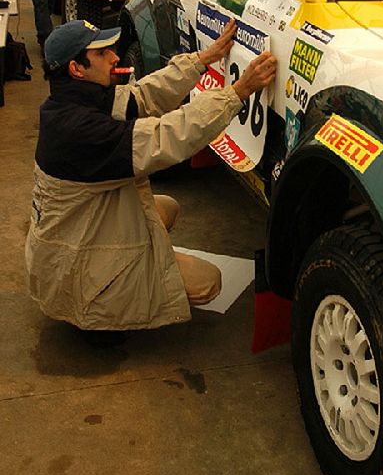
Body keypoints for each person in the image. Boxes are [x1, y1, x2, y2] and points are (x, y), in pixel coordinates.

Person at [25, 19, 277, 333]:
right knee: (207, 282)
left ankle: (131, 268)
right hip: (75, 270)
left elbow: (144, 95)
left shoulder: (69, 101)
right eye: (103, 53)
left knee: (166, 207)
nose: (115, 57)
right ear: (77, 69)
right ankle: (99, 319)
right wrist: (237, 93)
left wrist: (202, 59)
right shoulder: (82, 131)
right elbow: (168, 136)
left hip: (71, 238)